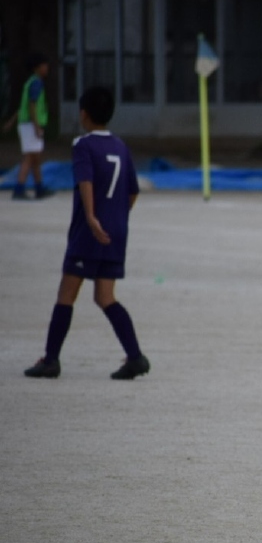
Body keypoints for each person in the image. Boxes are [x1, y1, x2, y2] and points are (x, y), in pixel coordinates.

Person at [24, 86, 150, 381]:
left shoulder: (83, 145)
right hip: (117, 231)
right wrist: (118, 217)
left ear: (84, 114)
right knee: (105, 296)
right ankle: (135, 357)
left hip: (89, 232)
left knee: (66, 293)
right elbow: (133, 191)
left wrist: (92, 217)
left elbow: (86, 182)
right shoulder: (120, 146)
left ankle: (51, 360)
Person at [2, 52, 55, 201]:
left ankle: (39, 188)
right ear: (37, 67)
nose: (47, 68)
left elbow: (22, 106)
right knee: (29, 158)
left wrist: (11, 121)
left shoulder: (30, 82)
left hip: (27, 124)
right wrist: (36, 126)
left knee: (35, 159)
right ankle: (19, 188)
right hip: (31, 125)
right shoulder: (36, 83)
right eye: (44, 65)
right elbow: (32, 105)